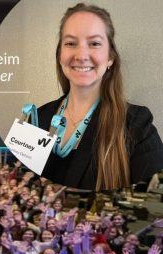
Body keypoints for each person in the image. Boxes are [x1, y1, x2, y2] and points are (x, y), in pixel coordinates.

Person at [36, 3, 163, 190]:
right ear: (60, 55)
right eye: (70, 43)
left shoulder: (137, 125)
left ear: (110, 57)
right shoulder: (36, 119)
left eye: (94, 43)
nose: (81, 55)